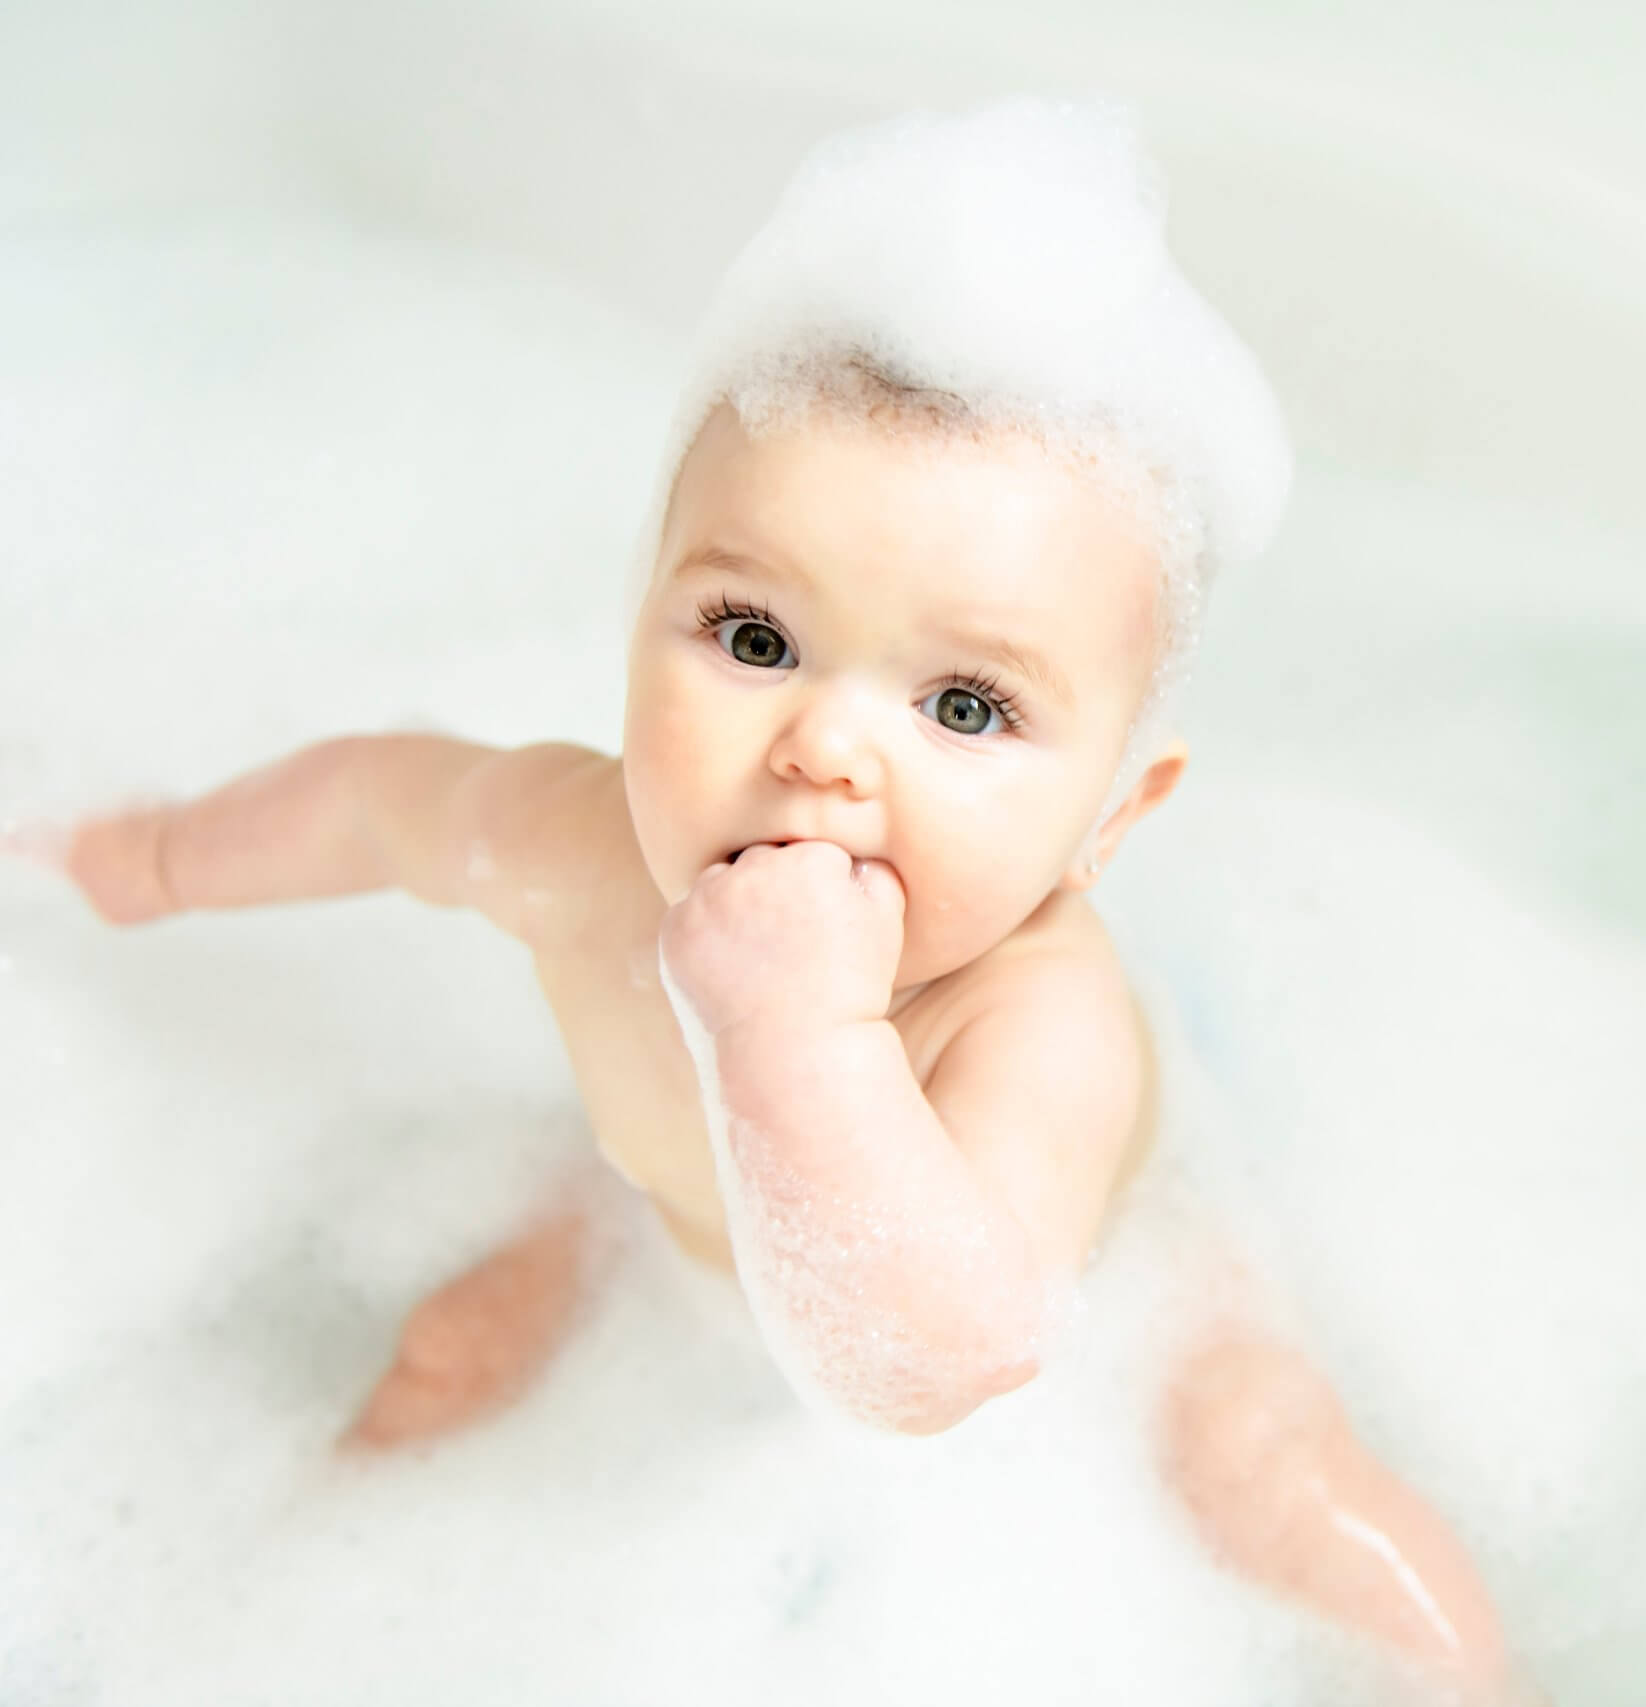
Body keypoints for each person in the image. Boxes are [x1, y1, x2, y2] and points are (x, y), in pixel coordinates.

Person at [16, 99, 1531, 1700]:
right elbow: (383, 800)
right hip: (664, 1225)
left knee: (1270, 1474)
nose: (823, 746)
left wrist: (797, 1037)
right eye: (752, 639)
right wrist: (148, 857)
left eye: (964, 709)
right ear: (633, 623)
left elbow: (945, 1354)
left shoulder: (1031, 1025)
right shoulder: (572, 844)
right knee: (448, 1360)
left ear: (1108, 821)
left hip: (1090, 1306)